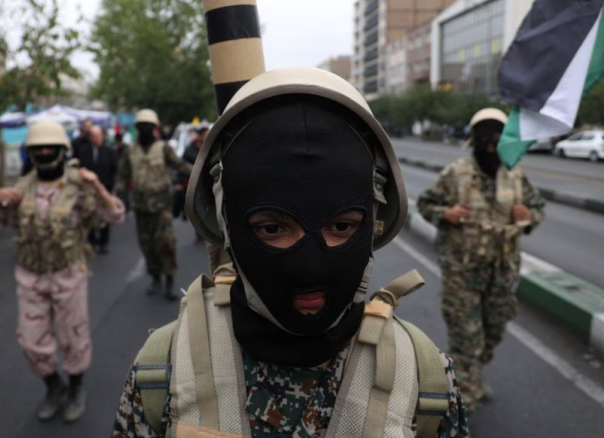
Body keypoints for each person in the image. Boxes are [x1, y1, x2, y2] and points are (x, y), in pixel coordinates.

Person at [113, 69, 468, 438]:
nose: (309, 268)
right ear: (228, 227)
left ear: (374, 220)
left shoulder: (423, 381)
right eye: (272, 229)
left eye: (342, 227)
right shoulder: (165, 373)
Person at [0, 121, 125, 423]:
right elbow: (2, 217)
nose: (44, 153)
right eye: (38, 149)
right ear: (31, 153)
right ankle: (54, 386)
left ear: (63, 151)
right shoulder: (23, 186)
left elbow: (115, 214)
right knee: (30, 341)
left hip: (68, 274)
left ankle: (76, 389)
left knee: (74, 339)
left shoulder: (78, 184)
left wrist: (97, 186)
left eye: (50, 148)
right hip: (31, 276)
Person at [417, 108, 545, 412]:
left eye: (496, 139)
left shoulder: (516, 175)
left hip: (501, 273)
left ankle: (471, 374)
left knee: (493, 330)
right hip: (462, 272)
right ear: (473, 139)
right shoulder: (455, 173)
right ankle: (464, 399)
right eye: (484, 138)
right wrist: (445, 214)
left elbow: (537, 208)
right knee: (466, 339)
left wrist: (528, 218)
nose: (489, 146)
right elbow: (425, 204)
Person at [115, 109, 192, 299]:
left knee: (166, 242)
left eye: (148, 127)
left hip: (162, 206)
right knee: (147, 244)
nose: (145, 130)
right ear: (137, 128)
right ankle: (155, 277)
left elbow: (180, 166)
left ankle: (169, 280)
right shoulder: (130, 150)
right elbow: (122, 177)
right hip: (141, 206)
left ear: (155, 128)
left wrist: (202, 173)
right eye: (142, 127)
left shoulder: (164, 148)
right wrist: (117, 199)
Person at [76, 125, 119, 254]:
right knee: (89, 214)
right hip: (88, 190)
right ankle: (91, 240)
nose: (96, 138)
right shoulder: (83, 151)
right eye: (93, 136)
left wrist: (113, 188)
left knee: (105, 216)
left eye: (98, 135)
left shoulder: (109, 151)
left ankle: (103, 242)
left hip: (105, 188)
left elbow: (115, 170)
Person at [173, 125, 208, 221]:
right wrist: (178, 183)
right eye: (205, 135)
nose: (207, 137)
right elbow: (181, 167)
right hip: (193, 186)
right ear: (199, 136)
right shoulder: (189, 151)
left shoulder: (210, 149)